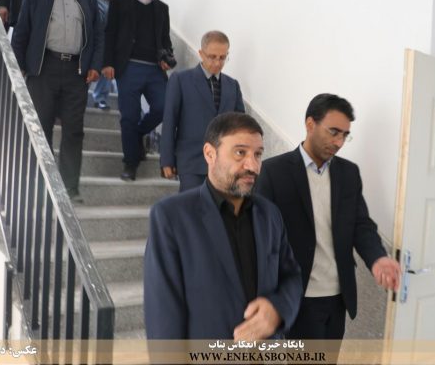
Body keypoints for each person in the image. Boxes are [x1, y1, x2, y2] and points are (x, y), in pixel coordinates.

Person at [144, 112, 302, 339]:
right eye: (240, 152)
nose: (253, 166)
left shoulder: (270, 215)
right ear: (210, 154)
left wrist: (278, 309)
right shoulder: (171, 217)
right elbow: (163, 319)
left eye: (258, 154)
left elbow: (292, 277)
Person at [256, 93, 401, 339]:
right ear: (310, 124)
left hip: (337, 297)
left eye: (345, 135)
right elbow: (260, 238)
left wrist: (378, 258)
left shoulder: (349, 173)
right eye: (333, 132)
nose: (339, 142)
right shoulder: (273, 172)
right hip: (296, 297)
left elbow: (361, 225)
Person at [11, 0, 103, 202]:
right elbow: (21, 34)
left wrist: (95, 65)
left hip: (76, 73)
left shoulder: (88, 0)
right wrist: (18, 68)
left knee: (74, 131)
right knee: (41, 130)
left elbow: (98, 36)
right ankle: (42, 186)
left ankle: (70, 189)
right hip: (43, 70)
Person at [101, 0, 174, 181]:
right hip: (129, 67)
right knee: (129, 117)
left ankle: (139, 133)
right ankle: (130, 164)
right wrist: (107, 63)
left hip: (154, 69)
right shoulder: (119, 1)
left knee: (164, 107)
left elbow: (166, 40)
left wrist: (167, 57)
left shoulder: (162, 8)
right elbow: (110, 33)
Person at [160, 30, 244, 192]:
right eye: (212, 57)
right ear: (201, 53)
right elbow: (170, 121)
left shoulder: (232, 85)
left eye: (222, 57)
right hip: (191, 162)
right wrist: (167, 160)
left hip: (224, 165)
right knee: (192, 206)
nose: (217, 63)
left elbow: (240, 127)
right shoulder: (180, 80)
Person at [84, 0, 135, 110]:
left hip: (114, 6)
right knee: (88, 44)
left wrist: (122, 6)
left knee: (109, 49)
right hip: (93, 1)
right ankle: (81, 90)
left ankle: (100, 96)